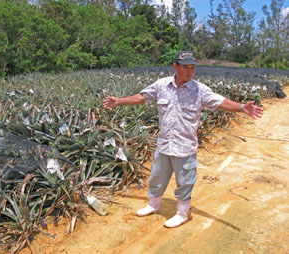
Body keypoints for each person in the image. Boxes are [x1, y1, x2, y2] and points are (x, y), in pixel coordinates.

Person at [103, 51, 263, 228]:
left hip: (185, 146)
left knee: (184, 182)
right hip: (164, 144)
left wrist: (241, 107)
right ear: (175, 67)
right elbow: (142, 97)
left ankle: (181, 214)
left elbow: (220, 102)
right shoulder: (162, 85)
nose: (190, 71)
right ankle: (153, 205)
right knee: (157, 177)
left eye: (192, 67)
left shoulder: (199, 90)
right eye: (186, 67)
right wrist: (119, 100)